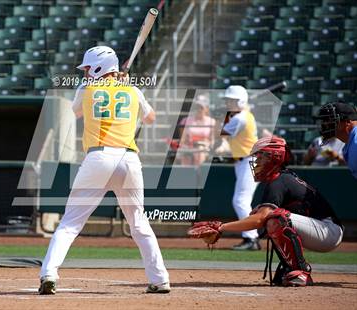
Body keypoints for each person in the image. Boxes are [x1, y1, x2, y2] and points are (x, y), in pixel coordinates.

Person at [39, 46, 170, 294]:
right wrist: (126, 87)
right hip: (129, 160)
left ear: (100, 67)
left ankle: (48, 273)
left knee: (70, 223)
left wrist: (110, 89)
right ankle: (160, 279)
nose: (86, 73)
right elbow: (151, 118)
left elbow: (76, 112)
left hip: (99, 158)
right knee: (139, 223)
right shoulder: (132, 90)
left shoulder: (86, 89)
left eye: (88, 68)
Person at [188, 136, 343, 287]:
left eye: (260, 158)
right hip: (322, 229)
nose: (256, 162)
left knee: (275, 218)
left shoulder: (279, 180)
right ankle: (289, 266)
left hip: (328, 231)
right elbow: (256, 218)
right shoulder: (280, 178)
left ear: (274, 158)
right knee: (268, 216)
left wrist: (221, 228)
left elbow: (260, 219)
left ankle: (301, 271)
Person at [220, 85, 260, 250]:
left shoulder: (240, 118)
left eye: (232, 100)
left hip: (249, 161)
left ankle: (252, 238)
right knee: (243, 200)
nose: (228, 102)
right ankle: (252, 237)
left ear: (241, 101)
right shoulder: (243, 115)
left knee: (240, 200)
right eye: (228, 100)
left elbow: (222, 136)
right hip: (244, 161)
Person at [315, 102, 357, 179]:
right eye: (324, 120)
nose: (325, 124)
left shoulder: (355, 143)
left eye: (329, 120)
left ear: (347, 122)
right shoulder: (351, 141)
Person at [178, 94, 216, 166]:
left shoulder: (212, 122)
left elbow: (212, 140)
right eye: (197, 107)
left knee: (200, 153)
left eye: (201, 107)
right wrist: (187, 142)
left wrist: (206, 144)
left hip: (204, 147)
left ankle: (199, 175)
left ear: (206, 109)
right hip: (189, 146)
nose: (199, 109)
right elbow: (182, 140)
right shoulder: (186, 120)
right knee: (186, 155)